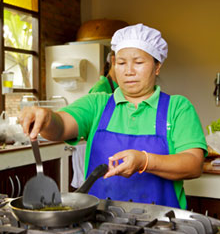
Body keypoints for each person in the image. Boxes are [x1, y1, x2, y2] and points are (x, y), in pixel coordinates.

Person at [19, 23, 207, 209]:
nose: (128, 71)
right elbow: (61, 127)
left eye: (139, 62)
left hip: (162, 226)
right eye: (121, 62)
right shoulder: (97, 104)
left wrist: (144, 161)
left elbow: (193, 164)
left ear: (157, 66)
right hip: (98, 223)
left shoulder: (177, 108)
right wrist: (47, 118)